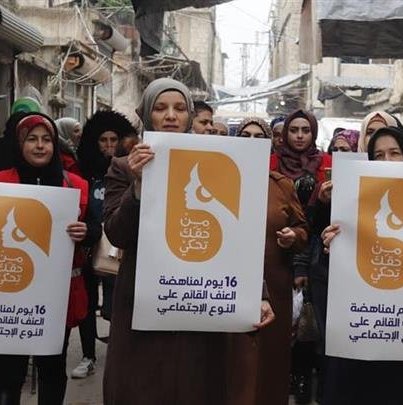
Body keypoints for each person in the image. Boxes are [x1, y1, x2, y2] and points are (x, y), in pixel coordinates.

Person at [102, 78, 275, 405]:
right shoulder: (124, 167)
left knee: (196, 385)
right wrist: (138, 187)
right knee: (141, 389)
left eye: (179, 108)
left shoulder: (214, 163)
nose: (170, 115)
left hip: (200, 300)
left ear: (190, 115)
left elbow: (239, 233)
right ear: (146, 114)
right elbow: (117, 233)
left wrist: (258, 293)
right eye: (160, 108)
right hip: (145, 302)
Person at [319, 126, 403, 404]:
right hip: (366, 333)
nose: (387, 161)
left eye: (395, 153)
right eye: (379, 155)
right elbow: (334, 268)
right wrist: (330, 245)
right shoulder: (352, 201)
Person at [0, 112, 99, 405]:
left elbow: (96, 229)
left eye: (46, 140)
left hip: (57, 297)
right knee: (8, 373)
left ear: (55, 145)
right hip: (10, 293)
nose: (40, 146)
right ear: (19, 144)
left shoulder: (76, 185)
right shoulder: (0, 182)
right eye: (32, 139)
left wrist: (86, 232)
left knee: (51, 368)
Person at [226, 116, 310, 405]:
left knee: (270, 359)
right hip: (228, 283)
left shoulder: (282, 185)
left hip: (274, 285)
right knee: (233, 359)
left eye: (259, 137)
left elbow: (303, 230)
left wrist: (293, 236)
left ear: (270, 145)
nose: (252, 141)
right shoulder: (220, 180)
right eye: (245, 136)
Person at [270, 109, 331, 404]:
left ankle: (304, 379)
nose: (299, 136)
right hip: (276, 253)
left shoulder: (327, 165)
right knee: (278, 322)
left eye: (305, 130)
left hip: (314, 253)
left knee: (309, 320)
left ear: (313, 133)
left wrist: (322, 202)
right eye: (293, 130)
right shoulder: (271, 164)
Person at [70, 110, 137, 378]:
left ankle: (120, 350)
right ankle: (88, 355)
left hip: (119, 245)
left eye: (114, 139)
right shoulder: (83, 172)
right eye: (103, 140)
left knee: (115, 305)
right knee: (87, 304)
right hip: (88, 246)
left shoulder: (130, 169)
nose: (109, 145)